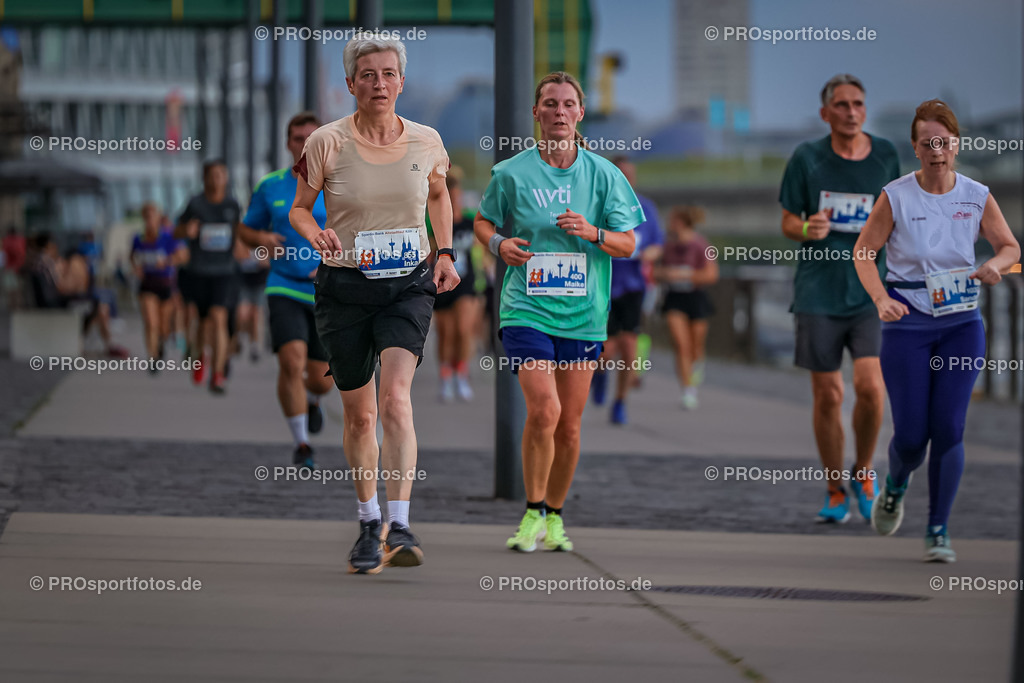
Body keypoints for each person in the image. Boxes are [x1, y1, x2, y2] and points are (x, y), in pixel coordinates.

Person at [289, 38, 459, 574]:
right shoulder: (326, 142)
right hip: (345, 288)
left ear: (401, 82)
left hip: (407, 285)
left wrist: (446, 253)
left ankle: (400, 524)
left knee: (396, 400)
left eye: (388, 74)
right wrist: (315, 232)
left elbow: (439, 195)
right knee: (361, 417)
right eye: (367, 74)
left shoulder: (427, 141)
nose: (379, 83)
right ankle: (368, 522)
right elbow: (299, 209)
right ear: (350, 84)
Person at [474, 71, 643, 553]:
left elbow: (629, 243)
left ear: (580, 113)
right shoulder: (511, 172)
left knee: (569, 425)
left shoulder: (604, 175)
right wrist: (499, 245)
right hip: (526, 308)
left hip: (583, 314)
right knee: (544, 410)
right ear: (536, 112)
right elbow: (482, 222)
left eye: (568, 104)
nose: (560, 112)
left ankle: (555, 515)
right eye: (550, 104)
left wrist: (593, 233)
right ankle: (531, 512)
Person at [853, 100, 1019, 562]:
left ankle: (938, 529)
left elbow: (1010, 246)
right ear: (915, 147)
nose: (936, 151)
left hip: (961, 323)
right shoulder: (897, 196)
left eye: (943, 143)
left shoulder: (976, 194)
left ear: (956, 145)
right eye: (927, 143)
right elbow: (864, 253)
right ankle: (895, 485)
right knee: (911, 437)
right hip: (907, 322)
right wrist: (881, 299)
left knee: (948, 427)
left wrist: (996, 265)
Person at [779, 74, 900, 524]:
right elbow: (787, 221)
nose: (852, 112)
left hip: (870, 292)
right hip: (818, 293)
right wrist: (806, 227)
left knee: (870, 388)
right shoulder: (807, 158)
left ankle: (864, 472)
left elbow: (899, 218)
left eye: (858, 104)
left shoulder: (886, 155)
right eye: (843, 105)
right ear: (825, 113)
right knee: (829, 394)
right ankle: (834, 489)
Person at [239, 111, 335, 470]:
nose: (304, 144)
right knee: (291, 361)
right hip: (283, 286)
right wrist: (261, 238)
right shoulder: (270, 186)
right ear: (288, 143)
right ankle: (302, 444)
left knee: (322, 380)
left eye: (312, 138)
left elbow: (358, 229)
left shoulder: (338, 183)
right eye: (298, 139)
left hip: (326, 291)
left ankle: (314, 400)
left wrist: (334, 261)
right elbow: (246, 230)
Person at [590, 156, 663, 424]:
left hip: (633, 286)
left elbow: (657, 245)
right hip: (604, 284)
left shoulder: (646, 208)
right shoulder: (598, 205)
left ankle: (620, 401)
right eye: (622, 175)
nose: (627, 180)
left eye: (630, 175)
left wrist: (647, 254)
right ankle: (599, 374)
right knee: (606, 351)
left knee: (630, 346)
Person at [175, 159, 242, 394]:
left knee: (219, 317)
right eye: (212, 175)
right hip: (199, 271)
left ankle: (218, 374)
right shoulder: (195, 204)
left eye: (221, 175)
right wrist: (186, 231)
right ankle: (200, 357)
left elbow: (239, 232)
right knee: (203, 323)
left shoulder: (232, 205)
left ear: (226, 178)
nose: (216, 180)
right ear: (204, 179)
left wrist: (242, 245)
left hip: (224, 271)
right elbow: (177, 230)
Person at [655, 206, 718, 409]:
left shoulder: (701, 244)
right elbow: (654, 271)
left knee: (696, 344)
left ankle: (697, 363)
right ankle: (687, 389)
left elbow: (712, 274)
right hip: (674, 298)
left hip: (696, 297)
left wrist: (686, 274)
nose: (669, 225)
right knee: (681, 344)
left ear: (681, 223)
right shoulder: (667, 245)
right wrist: (666, 274)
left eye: (673, 221)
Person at [430, 166, 483, 402]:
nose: (454, 201)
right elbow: (428, 252)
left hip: (466, 282)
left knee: (463, 330)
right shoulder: (436, 224)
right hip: (442, 282)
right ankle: (445, 377)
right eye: (449, 197)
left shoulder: (470, 222)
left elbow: (481, 249)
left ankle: (461, 375)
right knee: (446, 334)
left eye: (457, 196)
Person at [131, 202, 188, 368]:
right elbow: (132, 256)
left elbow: (183, 256)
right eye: (146, 217)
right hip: (147, 284)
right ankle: (152, 357)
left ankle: (161, 342)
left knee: (163, 327)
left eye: (152, 216)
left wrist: (167, 261)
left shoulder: (168, 237)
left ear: (158, 218)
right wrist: (136, 267)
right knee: (151, 322)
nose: (149, 220)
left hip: (165, 284)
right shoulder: (138, 238)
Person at [3, 226, 27, 309]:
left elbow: (8, 253)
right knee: (18, 288)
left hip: (11, 267)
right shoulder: (21, 240)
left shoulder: (8, 241)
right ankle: (18, 305)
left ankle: (13, 305)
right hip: (19, 267)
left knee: (11, 289)